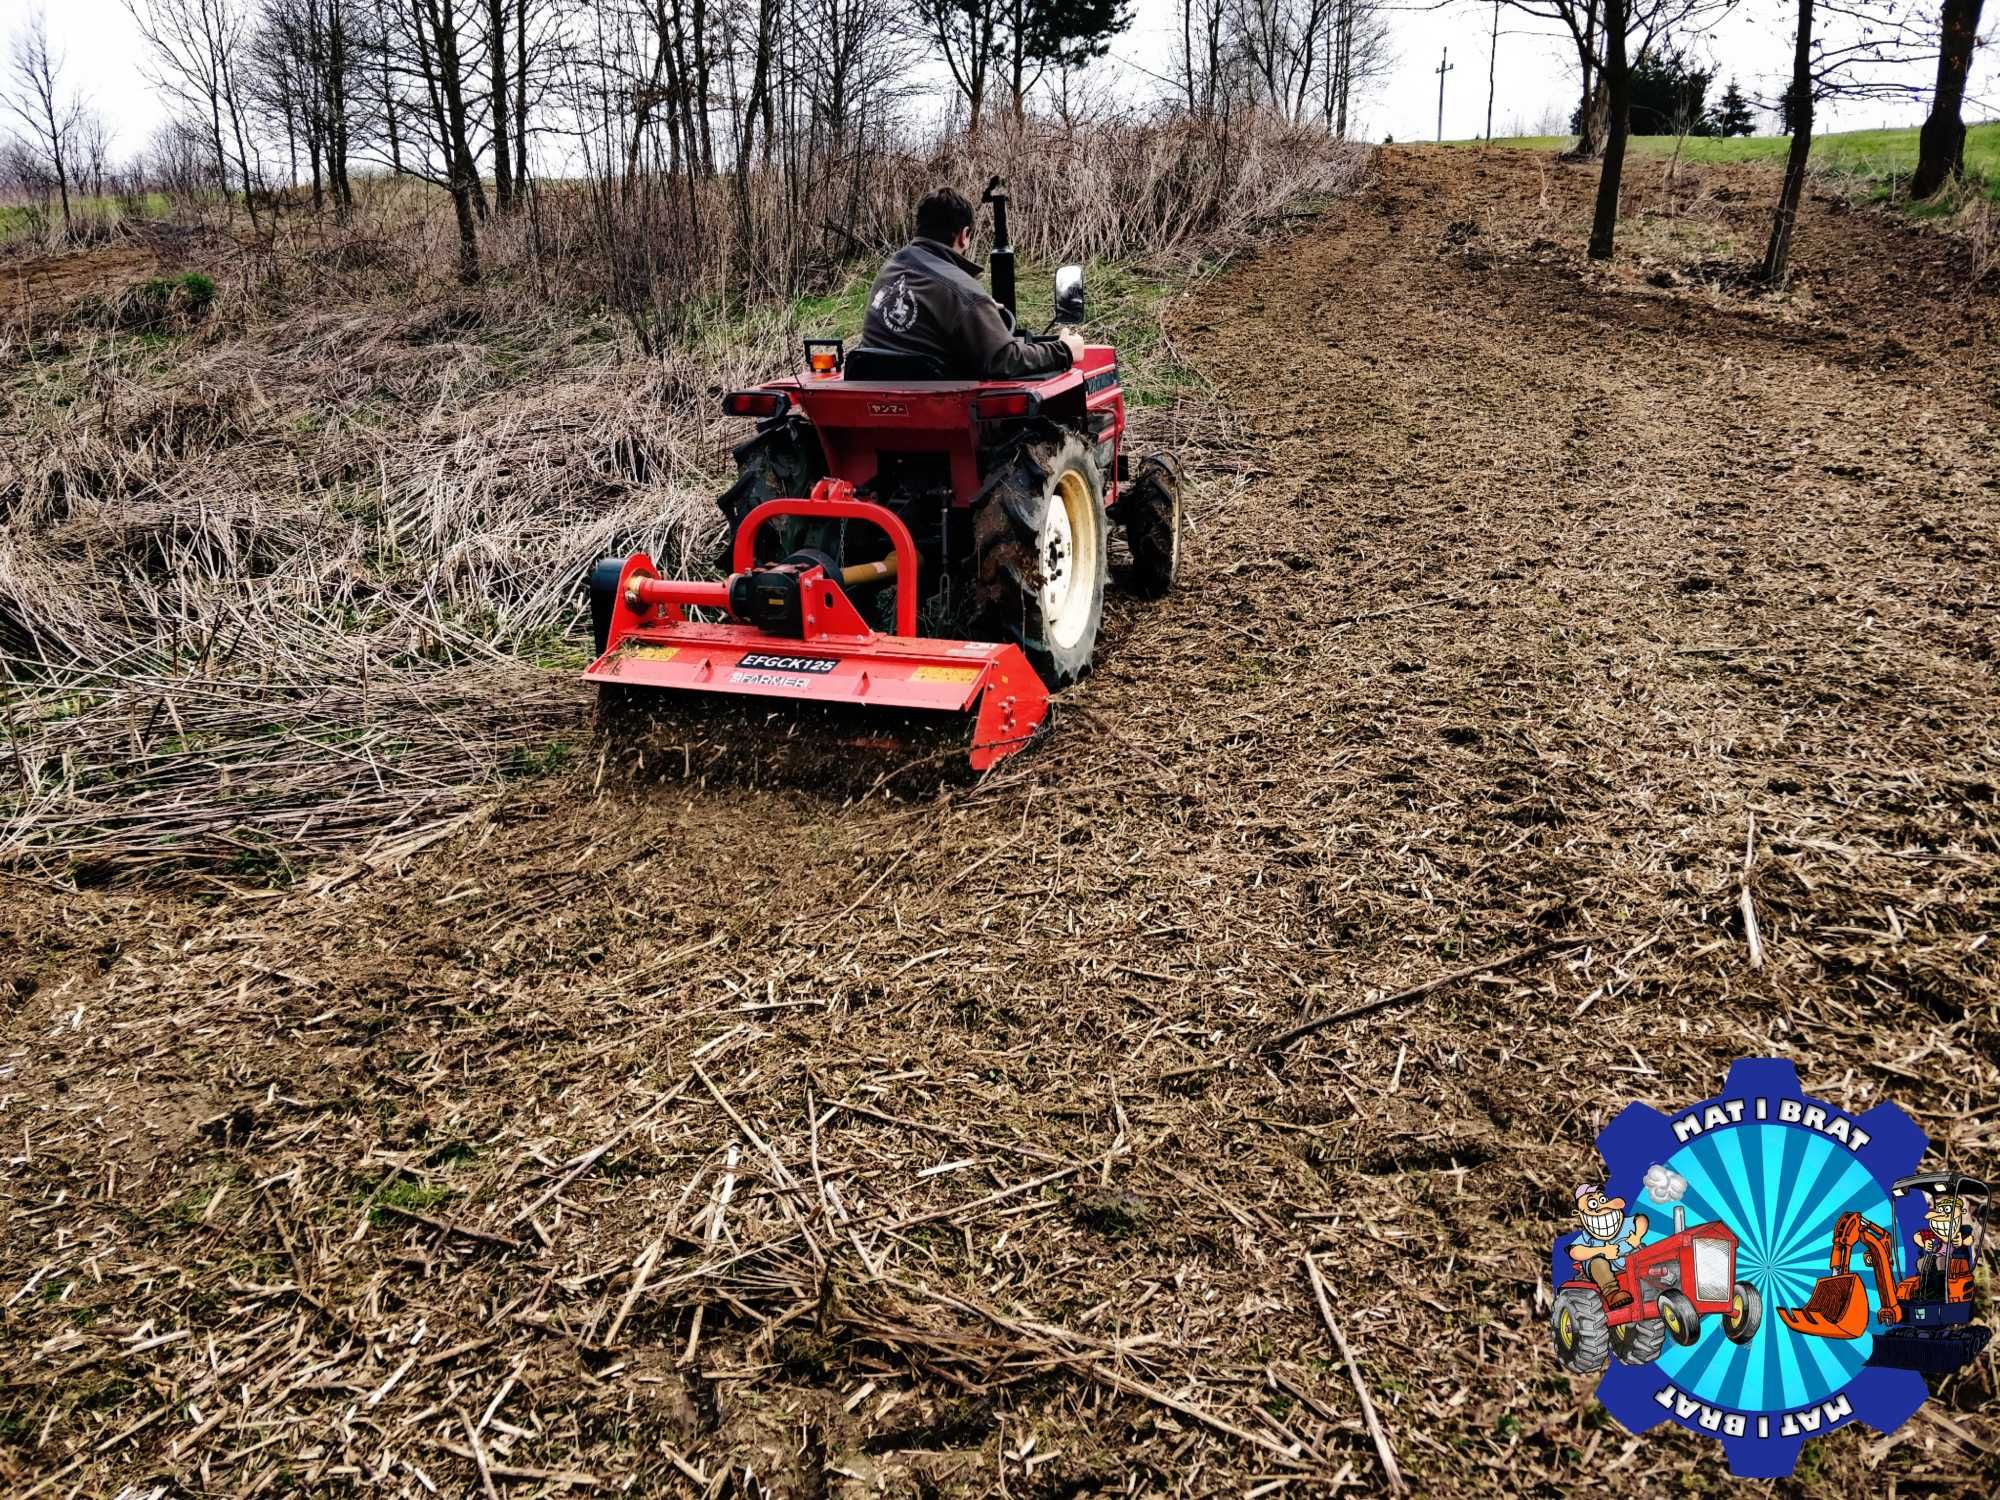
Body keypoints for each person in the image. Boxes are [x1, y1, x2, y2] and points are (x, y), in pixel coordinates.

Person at [860, 188, 1084, 380]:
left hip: (875, 403)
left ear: (921, 228)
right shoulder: (962, 292)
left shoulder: (889, 271)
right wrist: (1063, 350)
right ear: (964, 235)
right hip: (940, 413)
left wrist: (979, 311)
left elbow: (922, 327)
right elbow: (1004, 360)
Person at [1568, 1183, 1649, 1310]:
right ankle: (1611, 1294)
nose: (1602, 1207)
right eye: (1593, 1204)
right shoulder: (1587, 1236)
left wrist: (1637, 1236)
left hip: (1631, 1266)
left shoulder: (1624, 1225)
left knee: (1645, 1251)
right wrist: (1602, 1250)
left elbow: (1641, 1220)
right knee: (1598, 1263)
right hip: (1604, 1271)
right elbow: (1575, 1252)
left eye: (1602, 1200)